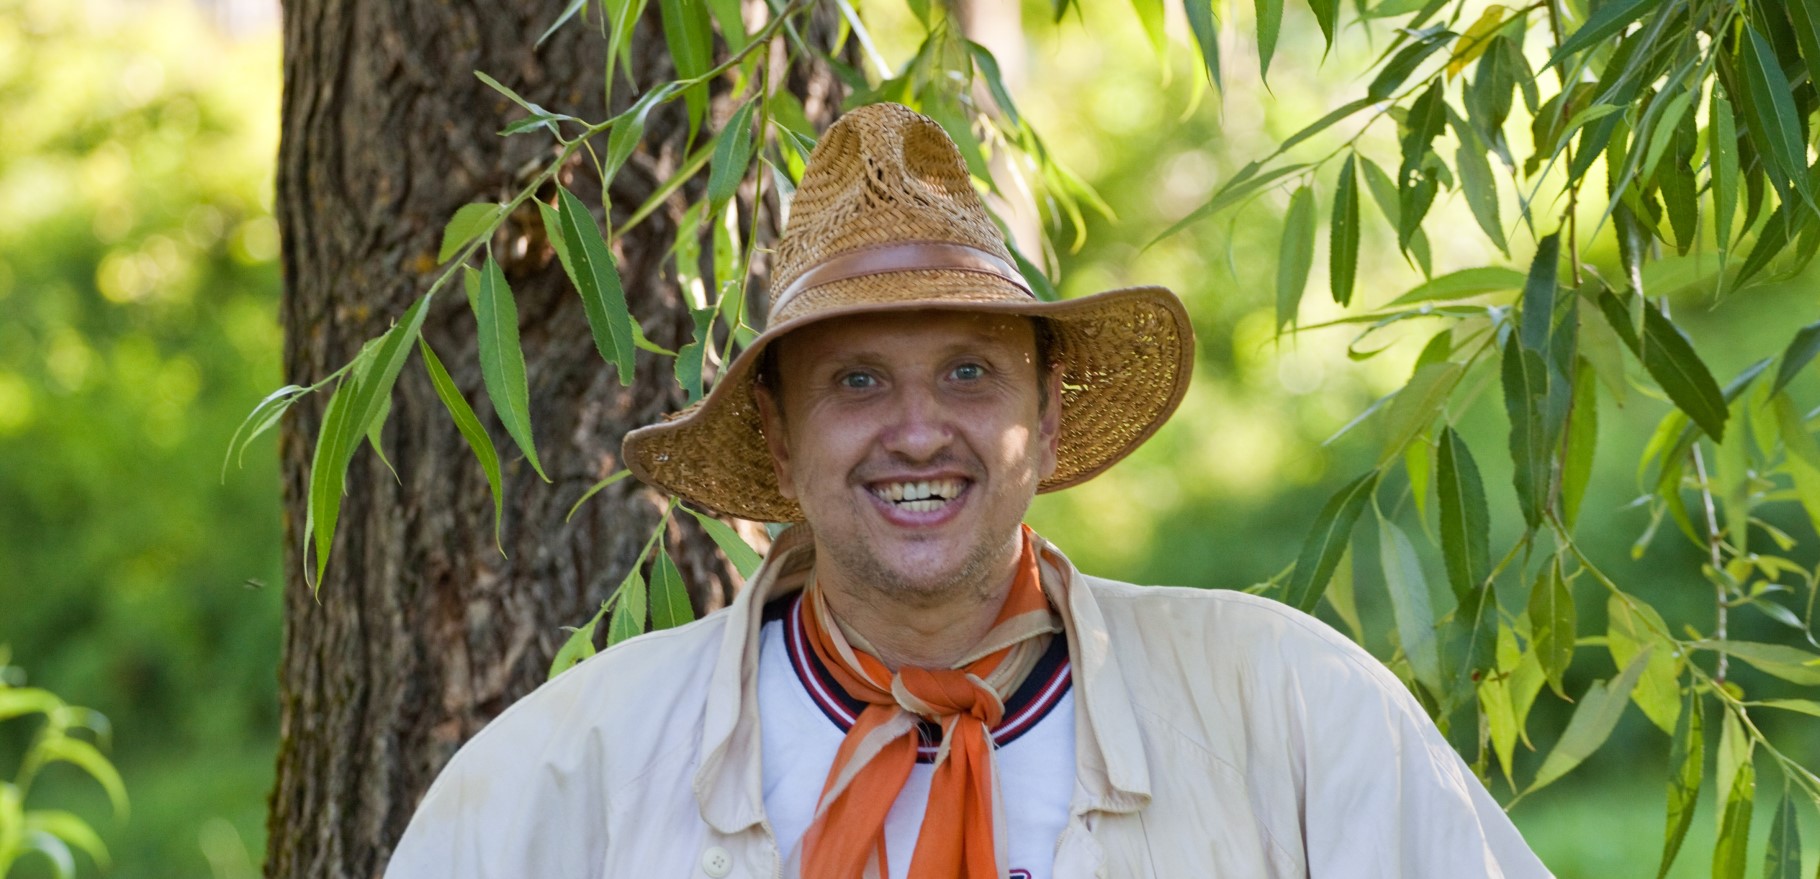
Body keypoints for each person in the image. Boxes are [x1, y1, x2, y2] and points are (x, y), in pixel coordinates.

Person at [386, 102, 1552, 879]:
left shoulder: (1287, 709)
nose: (916, 432)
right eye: (855, 381)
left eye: (967, 373)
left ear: (1046, 420)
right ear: (779, 443)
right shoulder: (568, 768)